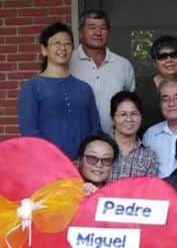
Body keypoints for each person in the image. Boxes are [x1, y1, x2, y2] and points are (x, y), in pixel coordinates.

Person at [19, 22, 101, 160]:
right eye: (56, 43)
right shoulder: (32, 87)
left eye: (67, 44)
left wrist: (86, 160)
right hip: (47, 166)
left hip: (83, 166)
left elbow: (95, 129)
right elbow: (29, 133)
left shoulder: (84, 88)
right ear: (44, 50)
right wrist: (56, 162)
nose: (62, 48)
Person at [69, 9, 136, 134]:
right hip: (78, 140)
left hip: (117, 141)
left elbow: (131, 105)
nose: (98, 33)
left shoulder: (123, 65)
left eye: (103, 28)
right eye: (92, 27)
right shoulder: (68, 63)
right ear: (80, 33)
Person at [137, 35, 177, 132]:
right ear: (154, 62)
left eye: (174, 55)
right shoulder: (141, 92)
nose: (169, 60)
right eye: (163, 56)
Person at [108, 91, 158, 180]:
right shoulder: (101, 148)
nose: (129, 119)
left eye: (134, 114)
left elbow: (150, 190)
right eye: (123, 114)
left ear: (141, 117)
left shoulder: (148, 156)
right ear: (112, 119)